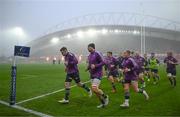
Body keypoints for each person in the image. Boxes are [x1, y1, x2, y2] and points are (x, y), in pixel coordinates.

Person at [86, 43, 109, 108]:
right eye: (87, 47)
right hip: (92, 74)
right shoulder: (89, 55)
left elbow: (104, 62)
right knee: (95, 91)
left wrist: (95, 66)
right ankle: (103, 103)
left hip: (98, 73)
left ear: (93, 47)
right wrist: (88, 68)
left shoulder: (97, 53)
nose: (88, 48)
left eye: (89, 47)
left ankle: (106, 97)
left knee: (94, 88)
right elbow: (91, 64)